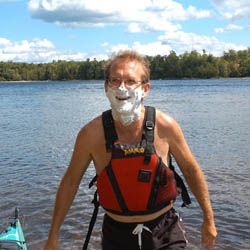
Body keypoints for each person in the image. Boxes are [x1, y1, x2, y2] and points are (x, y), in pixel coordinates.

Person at [44, 50, 217, 250]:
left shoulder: (166, 126)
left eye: (131, 81)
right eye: (115, 80)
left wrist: (209, 219)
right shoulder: (90, 134)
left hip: (164, 232)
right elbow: (70, 181)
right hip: (116, 235)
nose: (122, 88)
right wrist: (53, 237)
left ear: (145, 88)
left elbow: (191, 170)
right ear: (106, 87)